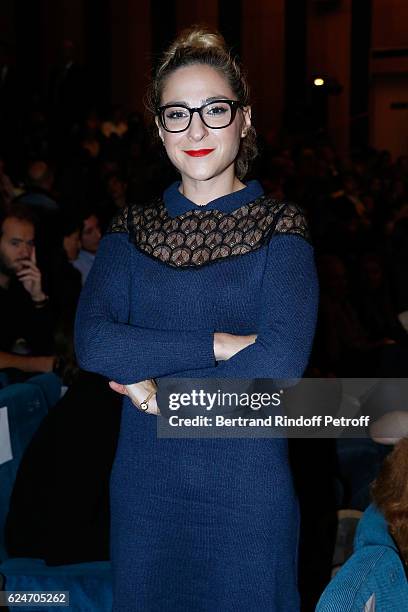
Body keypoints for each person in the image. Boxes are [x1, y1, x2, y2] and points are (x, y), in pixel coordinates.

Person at [75, 27, 318, 611]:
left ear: (245, 119)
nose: (198, 129)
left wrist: (160, 393)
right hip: (146, 493)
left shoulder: (280, 227)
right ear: (159, 129)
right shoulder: (129, 230)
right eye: (177, 114)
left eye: (215, 109)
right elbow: (93, 341)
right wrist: (220, 343)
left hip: (246, 492)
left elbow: (280, 363)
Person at [0, 204, 55, 378]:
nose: (25, 252)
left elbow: (45, 346)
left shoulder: (21, 285)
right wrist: (38, 364)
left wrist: (37, 297)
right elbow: (44, 361)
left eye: (30, 243)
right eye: (15, 243)